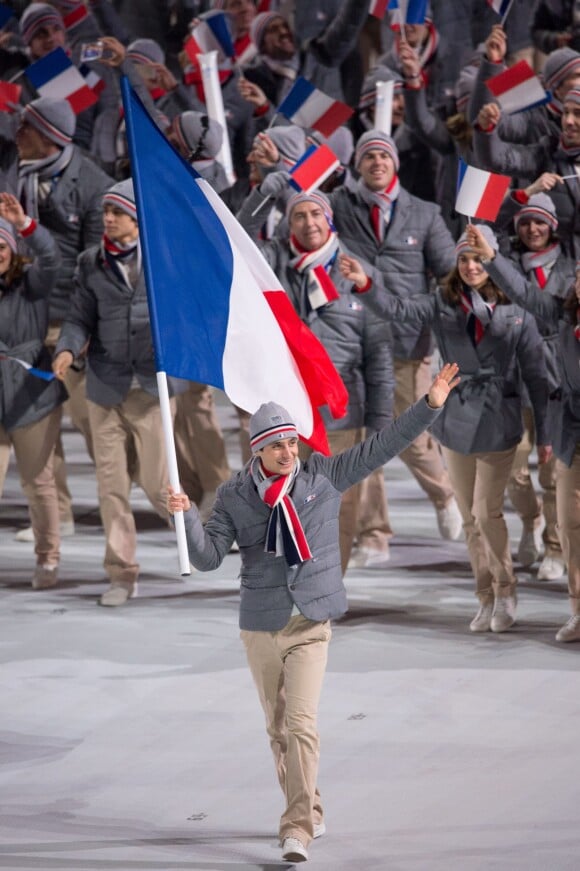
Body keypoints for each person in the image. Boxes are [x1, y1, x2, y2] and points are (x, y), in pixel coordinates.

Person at [167, 362, 460, 864]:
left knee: (301, 724)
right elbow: (208, 557)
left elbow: (383, 445)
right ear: (257, 448)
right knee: (278, 730)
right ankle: (311, 806)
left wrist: (428, 405)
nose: (289, 452)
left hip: (310, 622)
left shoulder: (323, 476)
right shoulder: (235, 496)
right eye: (277, 445)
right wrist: (186, 516)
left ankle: (296, 826)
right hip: (260, 625)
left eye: (293, 443)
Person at [344, 225, 550, 633]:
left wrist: (543, 435)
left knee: (485, 511)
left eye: (478, 257)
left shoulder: (516, 312)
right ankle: (485, 596)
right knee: (470, 519)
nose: (471, 266)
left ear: (491, 260)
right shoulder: (442, 302)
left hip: (498, 420)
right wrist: (366, 284)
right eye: (464, 259)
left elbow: (538, 378)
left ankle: (507, 589)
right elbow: (399, 311)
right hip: (455, 420)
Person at [236, 185, 395, 572]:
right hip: (284, 416)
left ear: (330, 219)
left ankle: (323, 588)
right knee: (278, 501)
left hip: (340, 413)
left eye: (316, 214)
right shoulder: (272, 265)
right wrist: (263, 193)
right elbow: (238, 240)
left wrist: (379, 427)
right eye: (299, 216)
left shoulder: (356, 271)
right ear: (288, 223)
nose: (309, 223)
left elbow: (379, 357)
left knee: (334, 507)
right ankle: (285, 584)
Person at [52, 179, 185, 607]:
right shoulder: (90, 262)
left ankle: (202, 535)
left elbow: (187, 315)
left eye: (118, 213)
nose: (108, 220)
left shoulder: (164, 260)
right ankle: (121, 574)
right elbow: (78, 316)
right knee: (111, 486)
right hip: (104, 387)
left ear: (136, 218)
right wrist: (67, 348)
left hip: (151, 388)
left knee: (156, 483)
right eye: (106, 212)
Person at [326, 128, 463, 542]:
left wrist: (431, 315)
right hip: (352, 336)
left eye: (384, 156)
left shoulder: (424, 212)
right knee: (363, 436)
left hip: (407, 340)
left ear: (395, 164)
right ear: (358, 166)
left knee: (412, 437)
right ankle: (374, 531)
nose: (377, 163)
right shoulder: (337, 206)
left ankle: (444, 495)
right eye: (368, 157)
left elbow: (448, 275)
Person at [465, 223, 580, 643]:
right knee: (570, 527)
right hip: (572, 435)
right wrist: (492, 259)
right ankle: (578, 610)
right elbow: (526, 295)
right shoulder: (565, 316)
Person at [496, 192, 573, 579]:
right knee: (511, 468)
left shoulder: (572, 268)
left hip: (556, 384)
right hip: (513, 378)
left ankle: (555, 547)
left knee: (553, 471)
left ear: (553, 226)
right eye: (525, 222)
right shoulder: (505, 267)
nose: (532, 229)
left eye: (540, 221)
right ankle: (531, 520)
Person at [0, 191, 66, 589]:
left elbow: (54, 258)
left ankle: (48, 558)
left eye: (1, 246)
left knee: (37, 482)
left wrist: (25, 225)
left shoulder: (32, 284)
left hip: (31, 398)